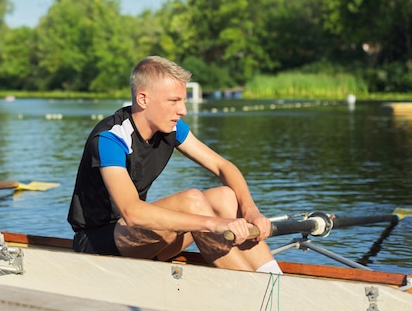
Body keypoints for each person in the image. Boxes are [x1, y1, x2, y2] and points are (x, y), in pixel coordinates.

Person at [67, 56, 282, 273]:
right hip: (98, 242)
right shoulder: (111, 138)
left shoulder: (171, 128)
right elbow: (132, 212)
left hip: (145, 237)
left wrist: (251, 211)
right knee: (192, 201)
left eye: (183, 100)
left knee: (226, 196)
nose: (183, 110)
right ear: (143, 99)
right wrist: (213, 223)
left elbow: (222, 167)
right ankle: (250, 290)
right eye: (174, 101)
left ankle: (273, 277)